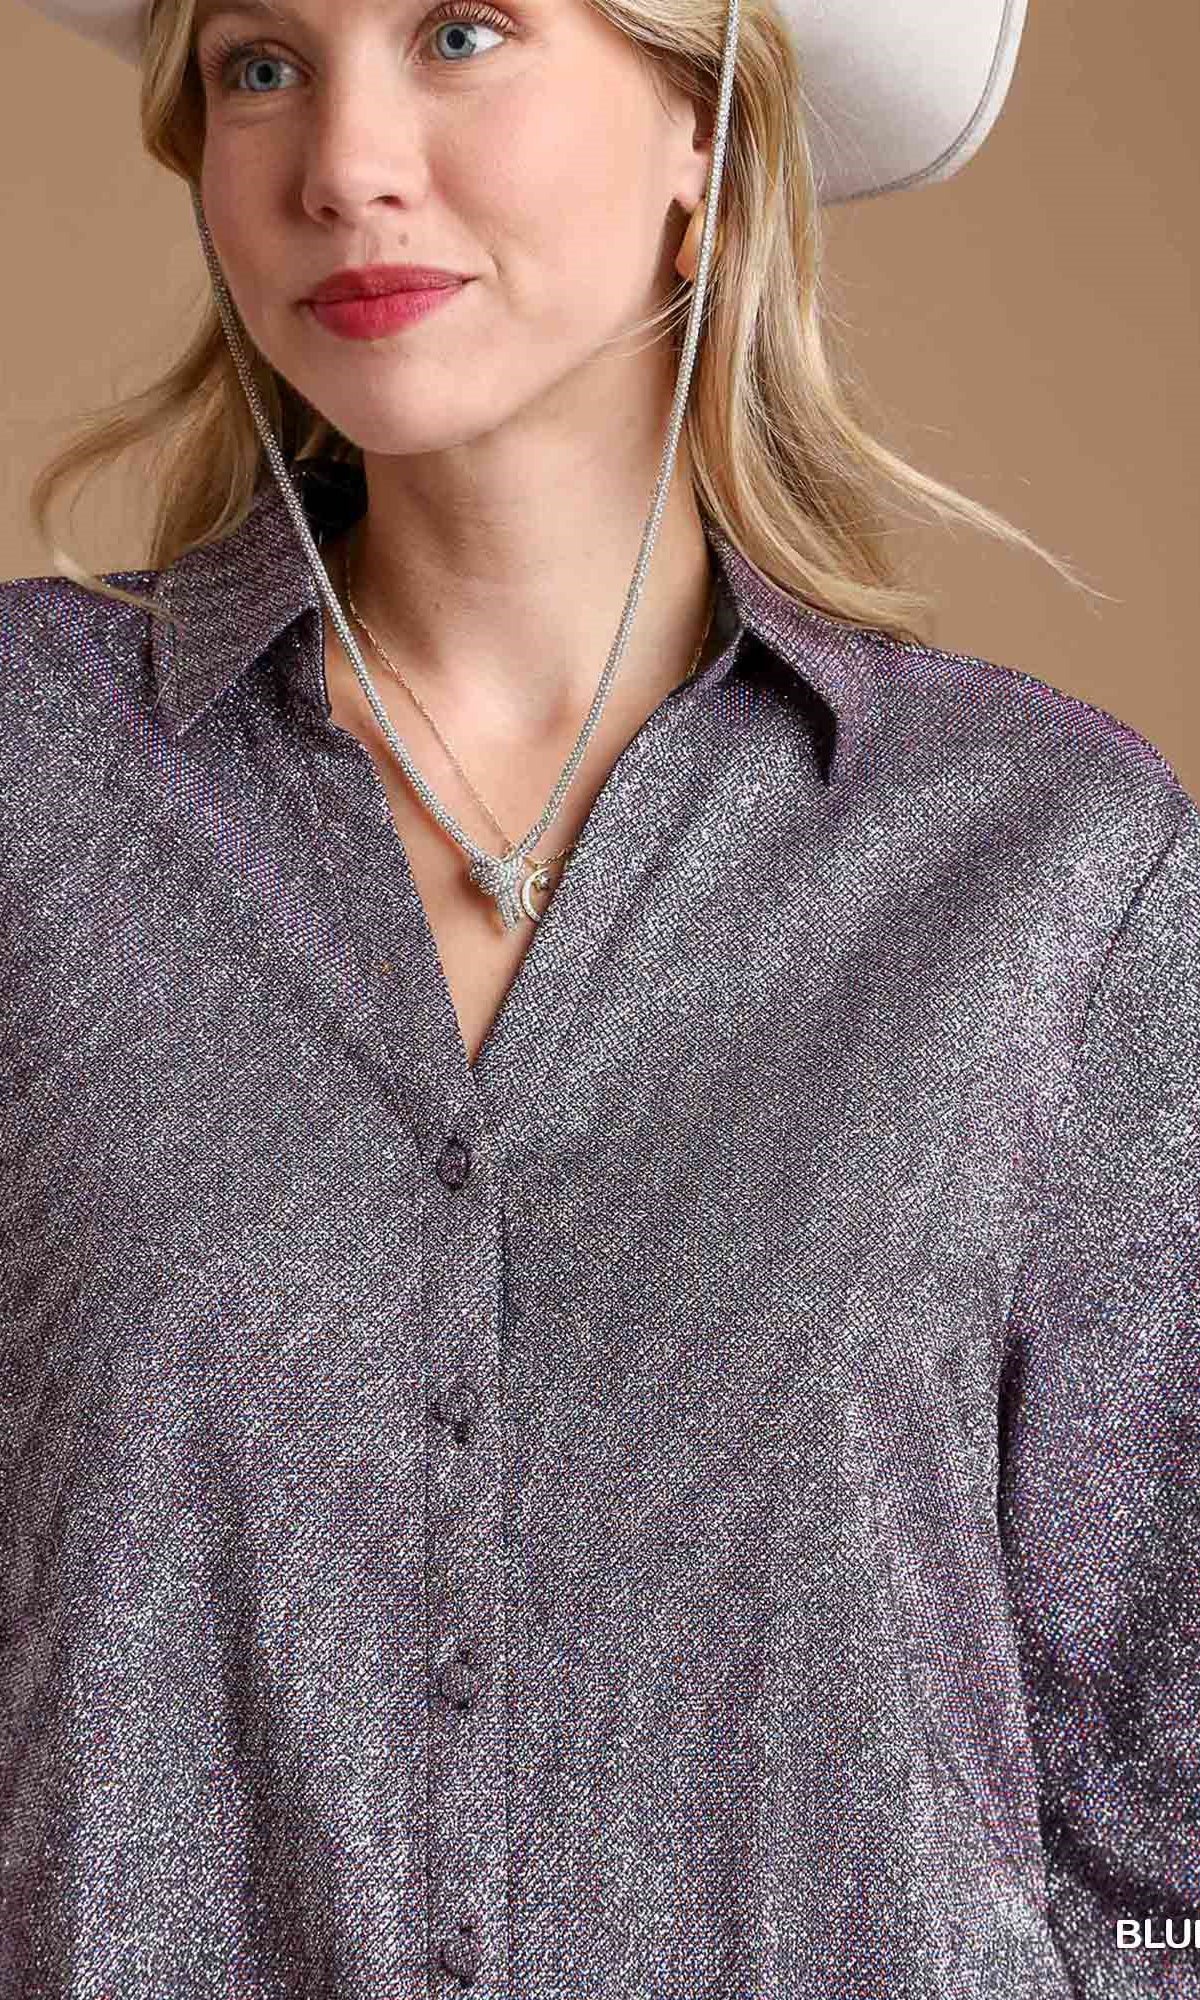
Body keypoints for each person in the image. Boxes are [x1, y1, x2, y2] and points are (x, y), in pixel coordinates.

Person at [1, 0, 1197, 1991]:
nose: (343, 161)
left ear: (702, 133)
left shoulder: (1054, 871)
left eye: (460, 30)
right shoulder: (28, 793)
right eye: (260, 63)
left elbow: (1163, 1821)